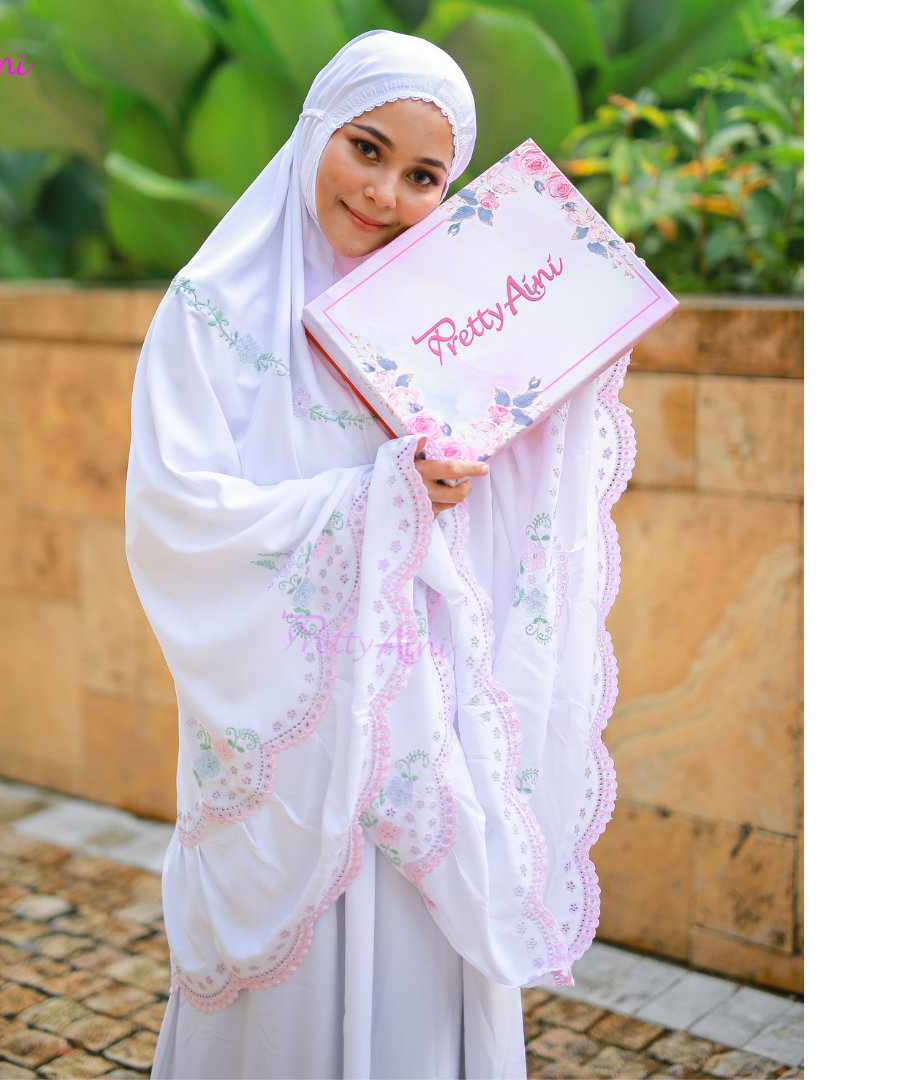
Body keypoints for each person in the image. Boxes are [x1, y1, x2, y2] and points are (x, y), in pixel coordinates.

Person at [127, 29, 633, 1080]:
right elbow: (179, 516)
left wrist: (547, 398)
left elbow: (490, 510)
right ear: (317, 127)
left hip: (422, 719)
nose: (384, 194)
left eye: (423, 176)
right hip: (292, 718)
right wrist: (378, 501)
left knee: (417, 968)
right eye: (365, 149)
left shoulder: (446, 325)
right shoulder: (211, 311)